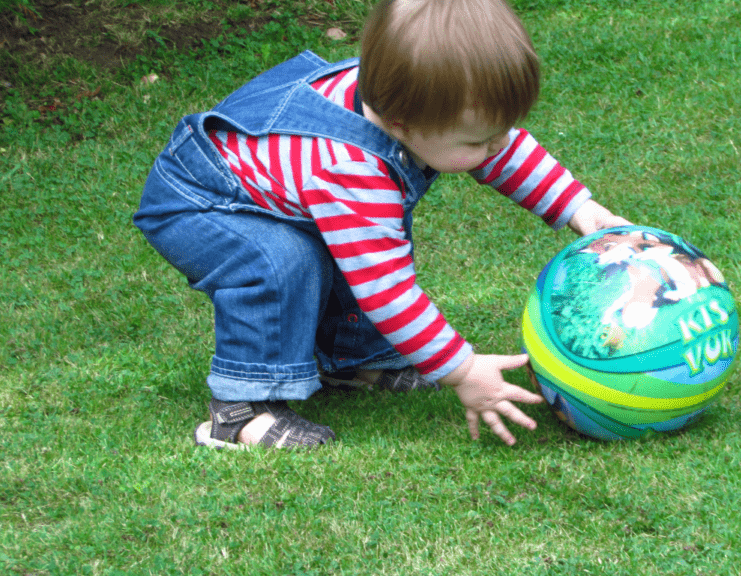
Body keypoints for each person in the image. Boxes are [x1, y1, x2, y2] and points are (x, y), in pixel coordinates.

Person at [133, 0, 630, 449]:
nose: (495, 148)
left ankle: (354, 362)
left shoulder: (418, 101)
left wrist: (580, 209)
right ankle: (241, 410)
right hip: (203, 202)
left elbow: (504, 153)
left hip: (276, 189)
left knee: (352, 245)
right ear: (400, 127)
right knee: (280, 263)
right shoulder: (352, 172)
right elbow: (387, 290)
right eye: (478, 142)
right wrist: (462, 370)